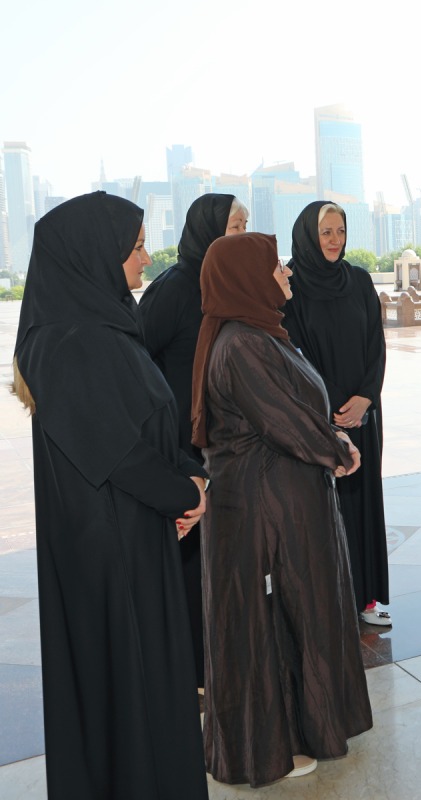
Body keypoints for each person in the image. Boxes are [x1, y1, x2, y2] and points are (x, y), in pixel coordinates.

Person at [14, 192, 208, 799]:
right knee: (128, 689)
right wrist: (184, 491)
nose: (146, 258)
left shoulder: (106, 328)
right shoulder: (69, 344)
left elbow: (150, 422)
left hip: (133, 537)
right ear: (96, 254)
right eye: (137, 245)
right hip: (109, 556)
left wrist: (188, 478)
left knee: (146, 691)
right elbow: (119, 453)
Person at [193, 232, 373, 785]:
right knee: (270, 622)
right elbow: (282, 420)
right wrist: (337, 448)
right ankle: (270, 748)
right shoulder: (243, 343)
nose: (287, 274)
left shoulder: (259, 332)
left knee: (298, 617)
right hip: (263, 513)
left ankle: (306, 726)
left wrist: (330, 446)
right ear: (248, 277)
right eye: (275, 267)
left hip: (281, 501)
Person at [139, 192, 248, 690]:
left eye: (246, 225)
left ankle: (222, 657)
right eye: (233, 226)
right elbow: (136, 361)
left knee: (225, 562)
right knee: (190, 566)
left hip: (229, 447)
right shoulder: (177, 287)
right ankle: (193, 667)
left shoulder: (231, 285)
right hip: (184, 450)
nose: (242, 235)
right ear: (207, 230)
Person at [282, 201, 390, 626]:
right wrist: (324, 413)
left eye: (340, 231)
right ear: (309, 234)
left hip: (360, 419)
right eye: (326, 232)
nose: (334, 240)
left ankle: (366, 599)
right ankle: (328, 605)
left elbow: (375, 346)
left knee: (363, 506)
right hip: (317, 423)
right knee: (322, 512)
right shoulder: (291, 286)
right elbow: (291, 355)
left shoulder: (359, 280)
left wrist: (366, 397)